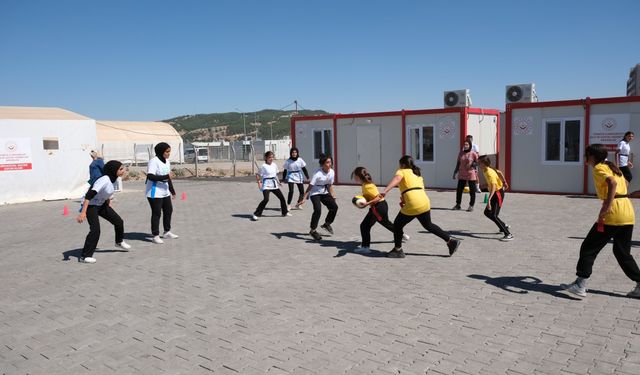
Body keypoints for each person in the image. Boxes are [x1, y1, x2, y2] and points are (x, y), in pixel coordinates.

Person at [560, 144, 640, 299]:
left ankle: (581, 284)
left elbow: (612, 183)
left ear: (591, 156)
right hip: (627, 212)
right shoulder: (613, 168)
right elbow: (625, 184)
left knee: (588, 248)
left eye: (586, 155)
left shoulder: (599, 168)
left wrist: (606, 207)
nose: (585, 157)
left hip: (613, 213)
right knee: (622, 252)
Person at [380, 155, 460, 258]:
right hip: (424, 201)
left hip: (414, 203)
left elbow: (397, 179)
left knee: (397, 225)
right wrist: (405, 200)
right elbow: (413, 188)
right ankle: (451, 241)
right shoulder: (417, 174)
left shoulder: (402, 171)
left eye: (399, 165)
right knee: (428, 225)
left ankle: (398, 250)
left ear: (403, 165)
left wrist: (385, 191)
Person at [76, 160, 131, 263]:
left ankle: (119, 242)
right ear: (113, 170)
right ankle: (85, 256)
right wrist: (83, 212)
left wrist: (109, 206)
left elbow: (107, 193)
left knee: (119, 221)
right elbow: (89, 195)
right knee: (95, 230)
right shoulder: (104, 180)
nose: (123, 170)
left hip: (101, 205)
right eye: (121, 169)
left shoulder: (113, 179)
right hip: (90, 206)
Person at [352, 167, 409, 254]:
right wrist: (362, 198)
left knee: (364, 226)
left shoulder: (367, 186)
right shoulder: (366, 184)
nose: (354, 178)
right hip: (381, 206)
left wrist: (367, 203)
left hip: (378, 207)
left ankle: (365, 248)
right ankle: (401, 235)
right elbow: (369, 196)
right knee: (385, 223)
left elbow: (379, 197)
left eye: (354, 176)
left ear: (358, 176)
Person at [146, 142, 178, 244]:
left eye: (169, 151)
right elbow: (150, 176)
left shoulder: (167, 162)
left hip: (164, 191)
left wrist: (172, 191)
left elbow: (168, 177)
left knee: (169, 210)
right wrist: (166, 177)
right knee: (156, 213)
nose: (169, 153)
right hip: (154, 192)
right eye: (167, 151)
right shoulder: (153, 161)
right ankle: (155, 236)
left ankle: (166, 231)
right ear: (161, 151)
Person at [302, 154, 338, 241]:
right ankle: (313, 230)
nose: (330, 164)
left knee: (334, 207)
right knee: (318, 210)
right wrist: (304, 198)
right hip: (315, 193)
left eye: (330, 162)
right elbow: (310, 186)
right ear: (322, 164)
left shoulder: (332, 172)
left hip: (324, 191)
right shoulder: (317, 173)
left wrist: (333, 195)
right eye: (327, 162)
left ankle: (327, 224)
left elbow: (329, 185)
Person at [478, 156, 513, 241]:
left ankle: (508, 234)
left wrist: (489, 199)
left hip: (497, 194)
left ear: (484, 163)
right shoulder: (486, 169)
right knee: (487, 212)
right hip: (495, 193)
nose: (478, 164)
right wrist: (504, 182)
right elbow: (499, 172)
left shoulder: (489, 172)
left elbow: (493, 186)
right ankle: (503, 225)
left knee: (494, 215)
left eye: (479, 163)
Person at [252, 151, 290, 221]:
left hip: (274, 184)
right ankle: (256, 214)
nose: (271, 158)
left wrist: (278, 182)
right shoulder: (263, 166)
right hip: (266, 185)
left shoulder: (274, 165)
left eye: (272, 157)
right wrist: (259, 184)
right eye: (270, 157)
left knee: (282, 198)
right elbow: (257, 175)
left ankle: (284, 212)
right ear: (266, 158)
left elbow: (275, 175)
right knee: (266, 199)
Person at [452, 140, 479, 211]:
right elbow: (458, 163)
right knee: (459, 190)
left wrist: (473, 164)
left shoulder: (473, 153)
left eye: (467, 144)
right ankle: (458, 205)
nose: (465, 146)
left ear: (470, 145)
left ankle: (471, 205)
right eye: (464, 144)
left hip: (470, 174)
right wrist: (455, 172)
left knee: (472, 191)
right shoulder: (461, 153)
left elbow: (477, 162)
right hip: (462, 173)